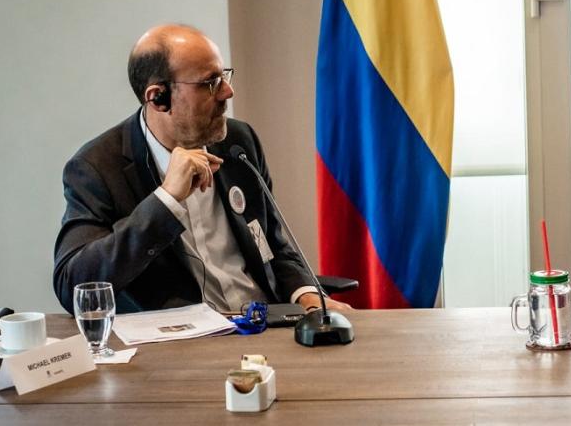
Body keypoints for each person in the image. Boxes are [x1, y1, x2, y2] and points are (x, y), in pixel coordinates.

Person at [53, 24, 349, 314]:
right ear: (158, 98)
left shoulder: (238, 142)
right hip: (185, 346)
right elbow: (73, 285)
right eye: (211, 83)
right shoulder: (97, 168)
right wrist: (166, 200)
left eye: (224, 77)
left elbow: (271, 243)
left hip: (265, 326)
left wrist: (306, 294)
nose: (227, 92)